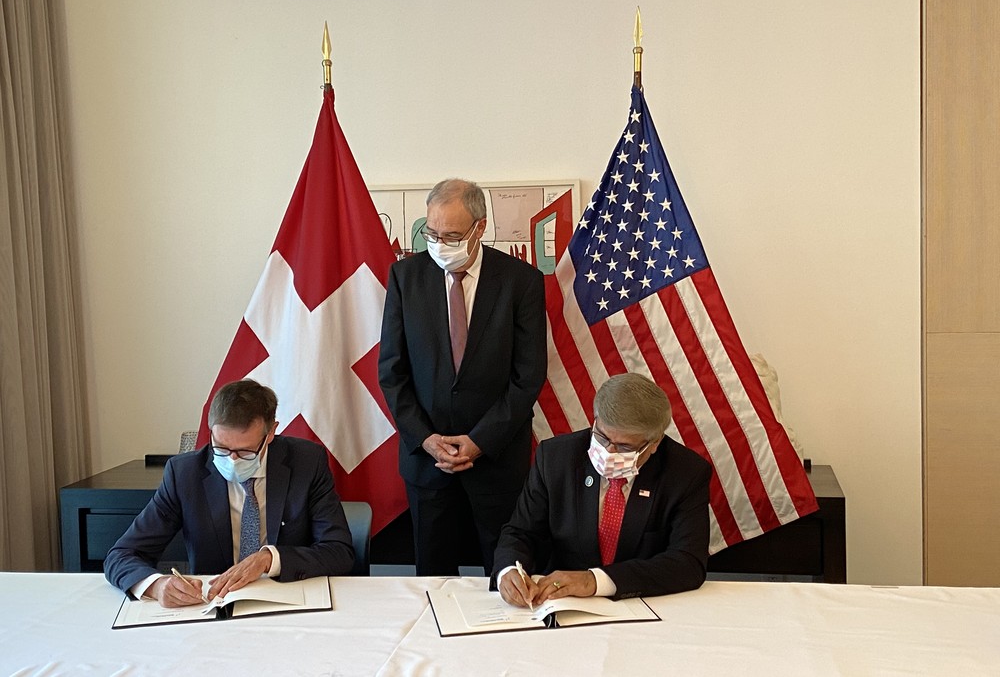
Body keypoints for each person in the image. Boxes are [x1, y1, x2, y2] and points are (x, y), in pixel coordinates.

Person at [378, 178, 547, 575]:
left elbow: (528, 376)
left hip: (497, 461)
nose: (439, 243)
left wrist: (479, 442)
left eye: (452, 235)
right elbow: (391, 371)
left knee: (507, 575)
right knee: (433, 580)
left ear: (480, 228)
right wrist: (425, 438)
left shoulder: (520, 281)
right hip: (428, 463)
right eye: (431, 233)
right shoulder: (406, 278)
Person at [104, 379, 354, 607]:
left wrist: (270, 559)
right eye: (221, 448)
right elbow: (121, 555)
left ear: (270, 434)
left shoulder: (306, 462)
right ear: (210, 429)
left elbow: (339, 552)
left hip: (286, 603)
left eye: (245, 452)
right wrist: (157, 586)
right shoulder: (185, 474)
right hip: (212, 607)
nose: (233, 460)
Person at [492, 372, 712, 607]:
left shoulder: (686, 473)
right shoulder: (555, 458)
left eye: (625, 446)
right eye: (602, 437)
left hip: (642, 604)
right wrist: (507, 570)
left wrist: (596, 581)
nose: (610, 452)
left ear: (655, 443)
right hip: (562, 603)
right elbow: (520, 532)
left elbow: (688, 562)